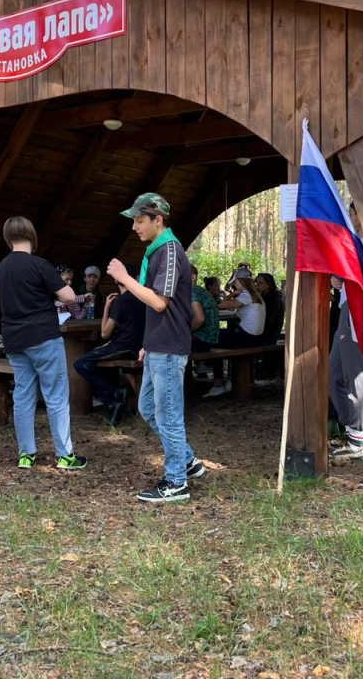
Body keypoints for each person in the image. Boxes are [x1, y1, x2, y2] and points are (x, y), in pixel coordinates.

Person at [108, 192, 204, 503]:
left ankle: (176, 482)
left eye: (139, 221)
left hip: (170, 347)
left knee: (168, 415)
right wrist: (147, 344)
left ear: (157, 220)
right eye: (134, 221)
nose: (134, 227)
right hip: (156, 346)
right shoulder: (157, 250)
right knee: (148, 408)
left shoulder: (171, 250)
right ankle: (187, 460)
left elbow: (160, 302)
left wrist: (125, 278)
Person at [0, 217, 87, 470]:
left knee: (23, 395)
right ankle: (65, 456)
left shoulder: (3, 267)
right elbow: (68, 296)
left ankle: (26, 455)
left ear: (8, 237)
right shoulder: (39, 264)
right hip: (43, 337)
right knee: (56, 395)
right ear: (31, 235)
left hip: (14, 339)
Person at [73, 266, 146, 425]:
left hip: (123, 347)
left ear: (115, 280)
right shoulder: (143, 298)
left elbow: (105, 333)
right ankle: (113, 401)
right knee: (99, 363)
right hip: (139, 348)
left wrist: (107, 306)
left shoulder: (121, 301)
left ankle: (114, 394)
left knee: (81, 364)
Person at [329, 203, 363, 462]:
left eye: (352, 211)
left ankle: (357, 440)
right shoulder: (356, 242)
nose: (349, 215)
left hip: (359, 313)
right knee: (335, 374)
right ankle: (352, 431)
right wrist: (338, 281)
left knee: (356, 373)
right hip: (347, 308)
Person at [203, 269, 266, 398]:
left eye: (235, 282)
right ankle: (226, 379)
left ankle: (218, 383)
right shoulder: (255, 295)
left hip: (246, 338)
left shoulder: (245, 295)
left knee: (211, 337)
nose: (234, 285)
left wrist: (233, 294)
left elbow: (220, 304)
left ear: (240, 281)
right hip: (256, 337)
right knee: (218, 336)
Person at [254, 272, 285, 345]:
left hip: (269, 335)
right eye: (256, 283)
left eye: (260, 283)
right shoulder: (262, 296)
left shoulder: (274, 298)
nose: (257, 285)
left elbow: (268, 319)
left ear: (268, 284)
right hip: (261, 331)